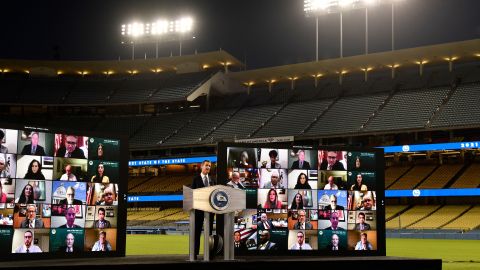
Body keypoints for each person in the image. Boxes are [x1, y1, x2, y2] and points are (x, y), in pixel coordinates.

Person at [191, 160, 216, 259]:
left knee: (209, 233)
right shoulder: (195, 179)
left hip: (209, 212)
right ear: (202, 166)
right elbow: (192, 194)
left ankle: (208, 252)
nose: (208, 167)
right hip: (198, 211)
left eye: (209, 166)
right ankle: (195, 253)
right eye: (206, 165)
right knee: (196, 233)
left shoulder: (212, 180)